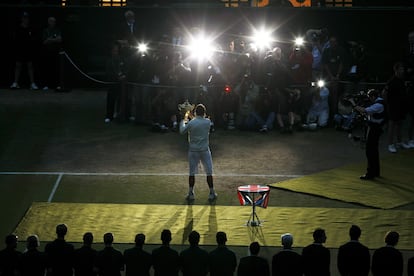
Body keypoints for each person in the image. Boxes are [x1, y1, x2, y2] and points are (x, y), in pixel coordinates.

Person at [179, 103, 217, 201]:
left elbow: (182, 131)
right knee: (209, 172)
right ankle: (212, 193)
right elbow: (199, 120)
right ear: (204, 113)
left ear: (196, 112)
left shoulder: (192, 123)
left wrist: (184, 118)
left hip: (193, 151)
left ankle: (191, 193)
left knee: (192, 173)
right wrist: (189, 116)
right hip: (204, 150)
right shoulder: (207, 122)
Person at [351, 89, 385, 180]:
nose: (369, 99)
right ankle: (376, 171)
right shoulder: (380, 103)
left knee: (370, 151)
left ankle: (370, 173)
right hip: (375, 127)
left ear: (373, 97)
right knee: (374, 150)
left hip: (374, 128)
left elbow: (365, 110)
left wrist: (354, 104)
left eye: (370, 97)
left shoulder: (378, 105)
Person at [383, 62, 410, 152]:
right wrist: (388, 103)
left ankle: (399, 142)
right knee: (392, 125)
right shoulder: (391, 81)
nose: (403, 70)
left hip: (401, 106)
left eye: (403, 69)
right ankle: (390, 144)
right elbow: (384, 93)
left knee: (400, 124)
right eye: (401, 69)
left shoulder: (402, 80)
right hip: (393, 106)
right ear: (396, 70)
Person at [10, 11, 39, 90]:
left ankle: (32, 84)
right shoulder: (18, 28)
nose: (25, 19)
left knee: (30, 66)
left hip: (29, 50)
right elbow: (15, 39)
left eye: (26, 18)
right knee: (18, 66)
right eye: (24, 18)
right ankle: (15, 83)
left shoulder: (31, 28)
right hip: (19, 50)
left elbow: (34, 39)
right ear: (22, 19)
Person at [41, 16, 62, 91]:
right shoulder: (45, 30)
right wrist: (53, 39)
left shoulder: (57, 30)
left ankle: (57, 85)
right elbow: (44, 42)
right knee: (47, 69)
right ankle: (46, 85)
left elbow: (59, 39)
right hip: (47, 53)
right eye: (51, 21)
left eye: (54, 21)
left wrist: (50, 39)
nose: (52, 23)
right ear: (48, 22)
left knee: (56, 69)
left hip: (56, 52)